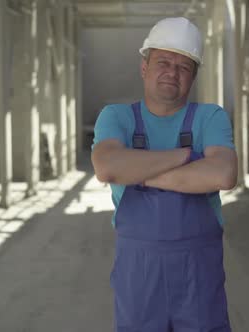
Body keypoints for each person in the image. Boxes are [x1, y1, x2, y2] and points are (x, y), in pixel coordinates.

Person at [91, 16, 237, 332]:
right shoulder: (116, 117)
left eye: (184, 66)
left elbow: (223, 173)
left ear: (193, 76)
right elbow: (107, 167)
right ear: (144, 67)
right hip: (139, 277)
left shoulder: (210, 117)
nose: (172, 71)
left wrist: (138, 171)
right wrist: (185, 157)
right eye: (164, 61)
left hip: (197, 276)